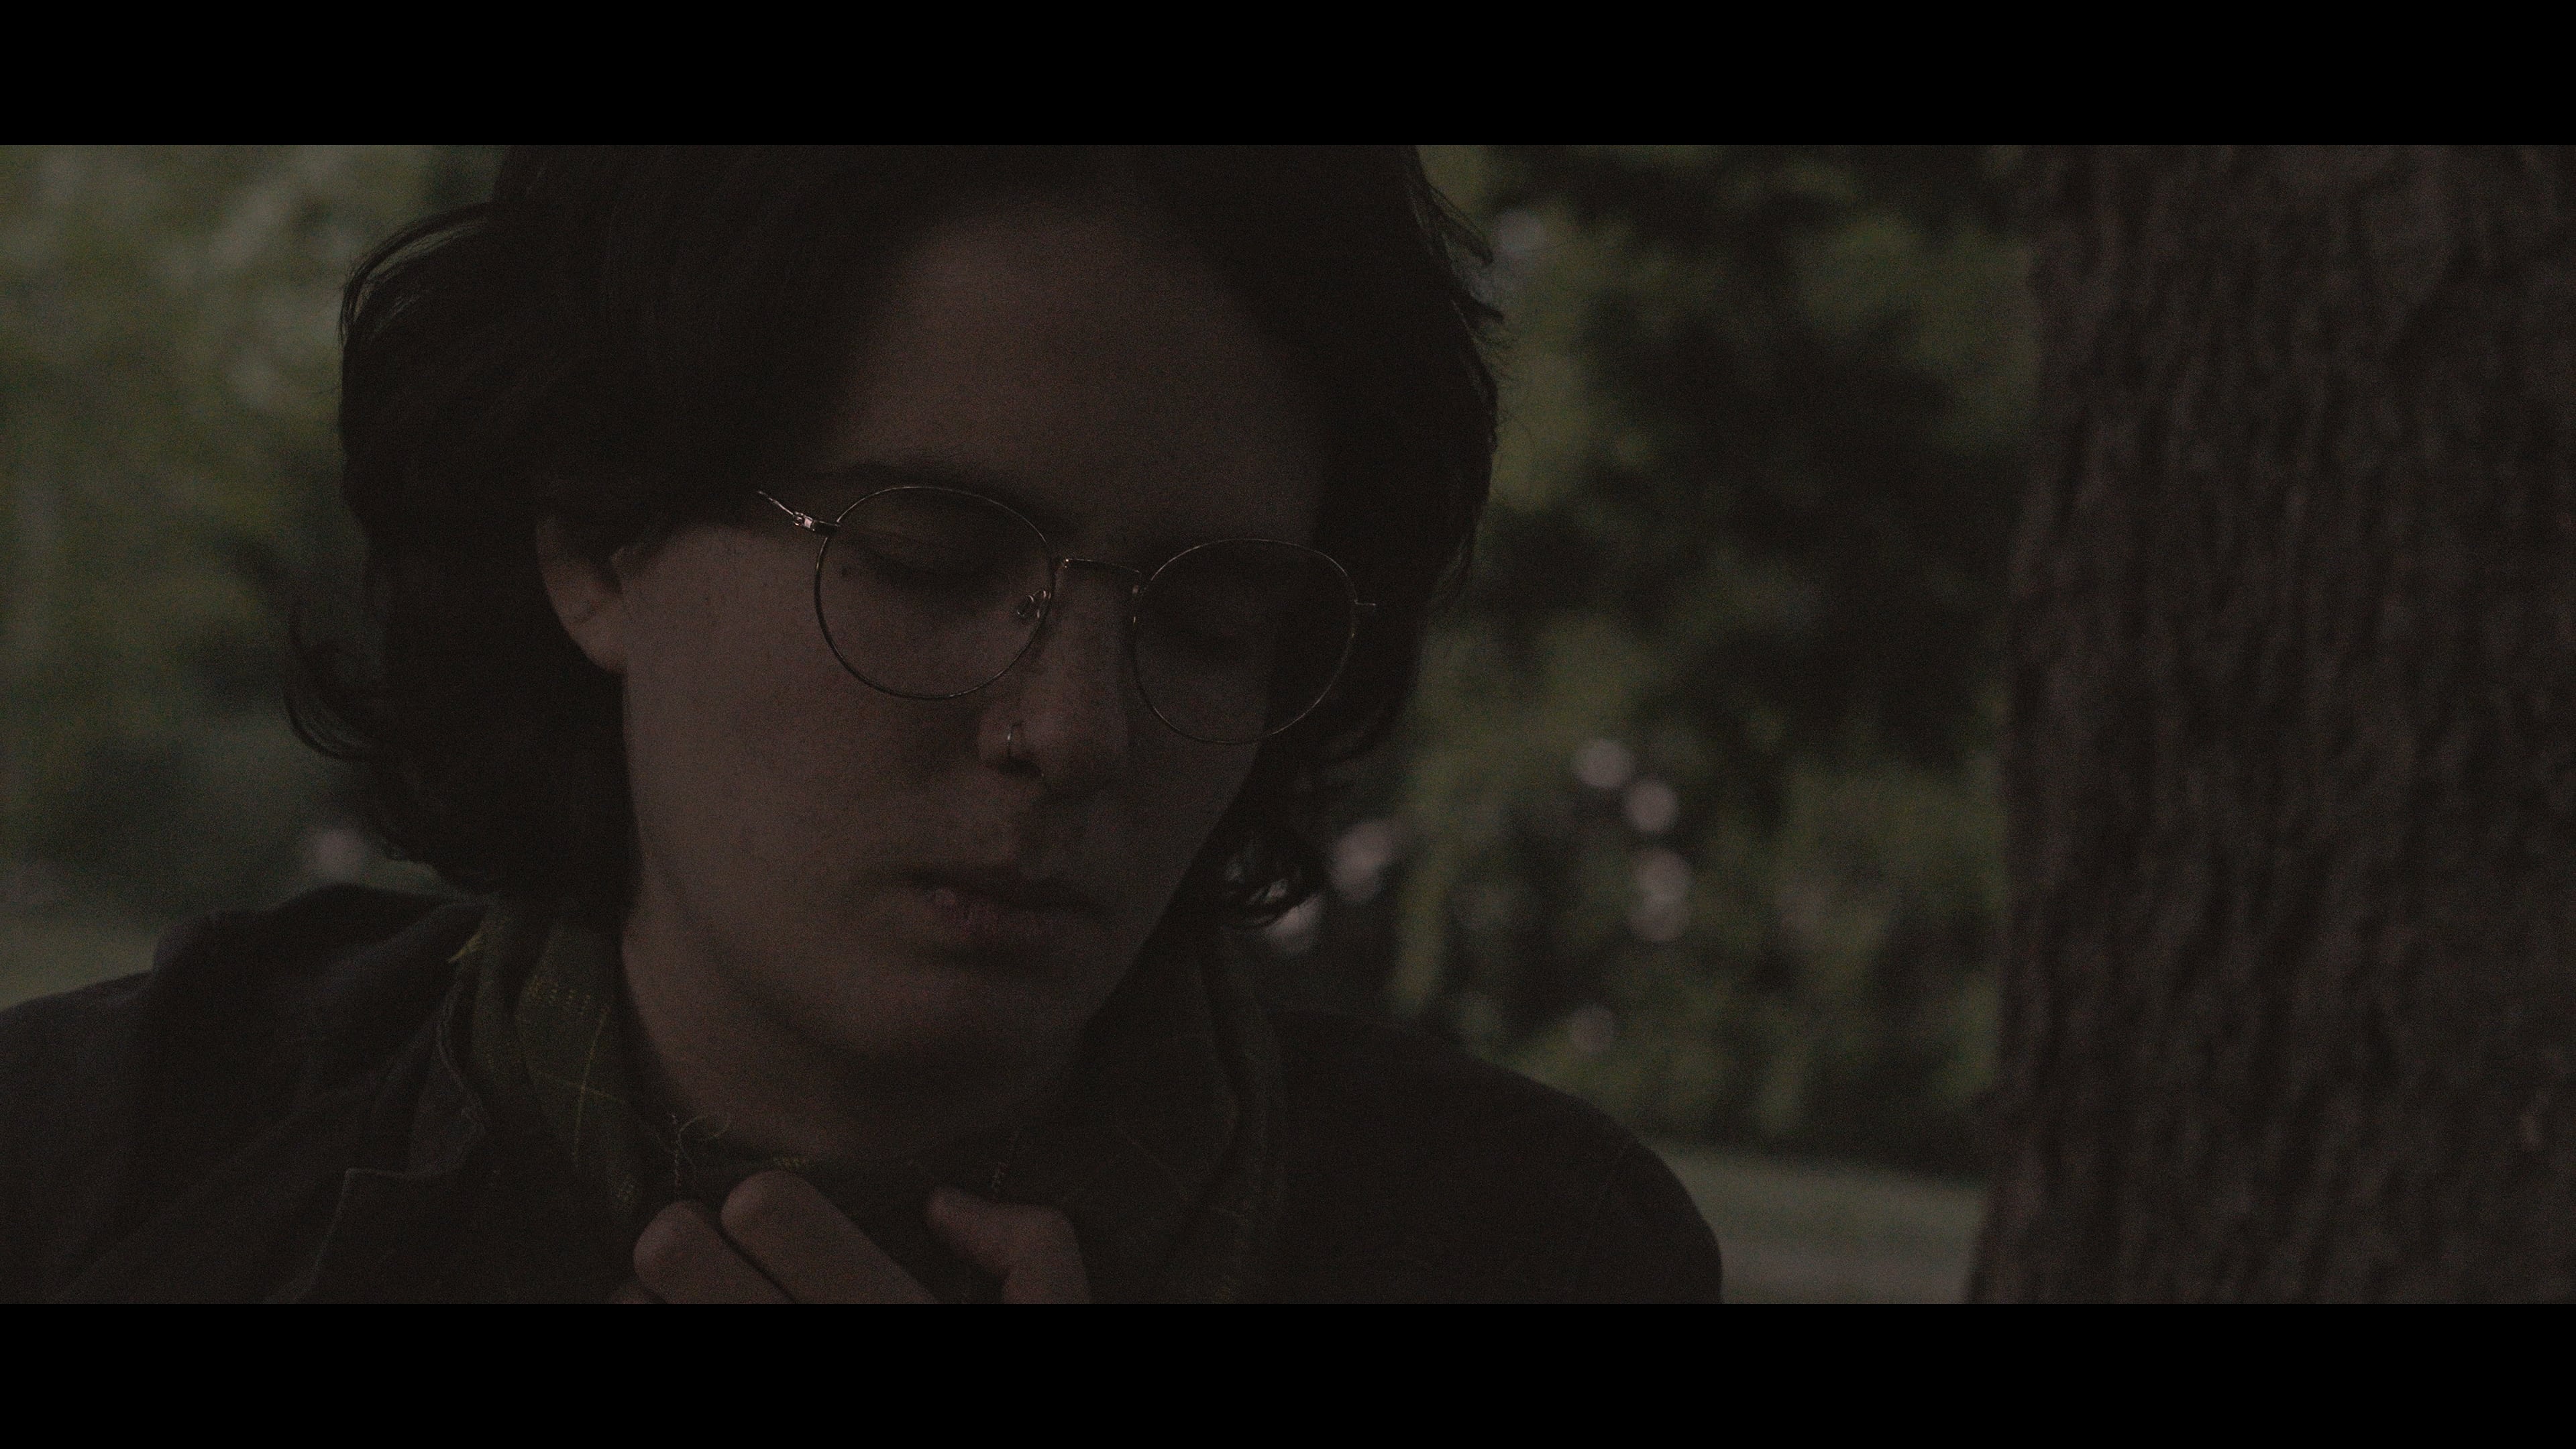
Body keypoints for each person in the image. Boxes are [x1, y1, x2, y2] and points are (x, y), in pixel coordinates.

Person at [0, 147, 1724, 1302]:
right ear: (598, 538)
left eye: (1209, 621)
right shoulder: (113, 1169)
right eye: (929, 561)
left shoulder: (1518, 1250)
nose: (1074, 728)